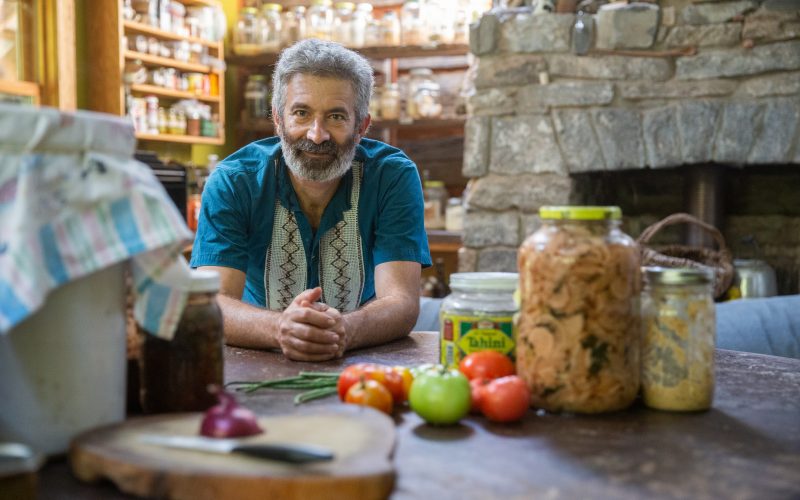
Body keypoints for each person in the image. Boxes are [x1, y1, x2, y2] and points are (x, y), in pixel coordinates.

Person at [190, 39, 431, 361]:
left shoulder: (392, 176)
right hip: (257, 355)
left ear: (362, 126)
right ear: (278, 119)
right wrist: (280, 328)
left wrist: (346, 330)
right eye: (301, 113)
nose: (317, 135)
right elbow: (214, 301)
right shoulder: (234, 181)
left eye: (336, 117)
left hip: (363, 359)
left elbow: (401, 301)